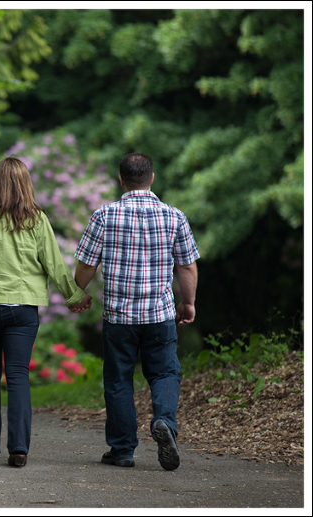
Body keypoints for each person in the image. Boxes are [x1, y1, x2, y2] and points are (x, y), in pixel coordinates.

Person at [0, 156, 92, 468]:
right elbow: (53, 263)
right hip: (23, 309)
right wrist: (74, 295)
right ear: (26, 184)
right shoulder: (37, 219)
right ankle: (19, 448)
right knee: (18, 375)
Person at [73, 152, 199, 471]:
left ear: (121, 179)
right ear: (152, 178)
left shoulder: (104, 215)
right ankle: (165, 424)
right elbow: (186, 266)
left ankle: (122, 450)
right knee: (165, 372)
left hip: (119, 317)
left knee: (118, 380)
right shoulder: (174, 217)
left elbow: (87, 264)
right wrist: (188, 302)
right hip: (159, 314)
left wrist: (78, 293)